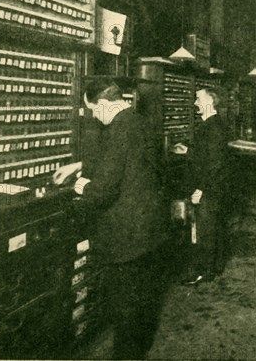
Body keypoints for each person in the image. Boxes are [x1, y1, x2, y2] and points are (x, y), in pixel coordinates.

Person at [53, 77, 170, 360]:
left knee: (125, 307)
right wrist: (78, 165)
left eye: (93, 110)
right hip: (148, 229)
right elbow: (122, 160)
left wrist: (80, 185)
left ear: (104, 104)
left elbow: (103, 191)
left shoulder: (118, 130)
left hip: (126, 234)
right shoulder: (138, 121)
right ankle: (136, 350)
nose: (94, 116)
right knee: (140, 301)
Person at [172, 87, 229, 284]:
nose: (195, 102)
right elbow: (206, 154)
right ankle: (214, 266)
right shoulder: (212, 124)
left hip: (208, 188)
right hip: (211, 186)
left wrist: (200, 189)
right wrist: (189, 150)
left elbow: (214, 163)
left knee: (205, 229)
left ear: (209, 102)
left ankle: (204, 272)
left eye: (198, 98)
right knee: (210, 227)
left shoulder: (213, 126)